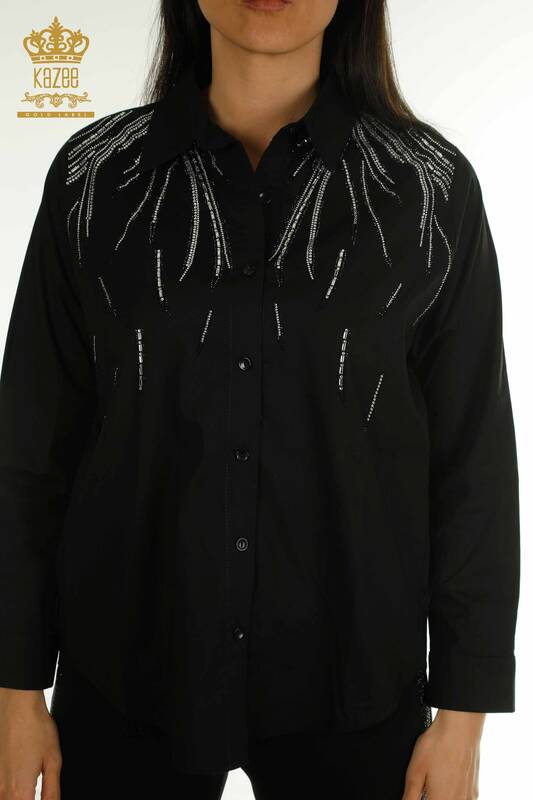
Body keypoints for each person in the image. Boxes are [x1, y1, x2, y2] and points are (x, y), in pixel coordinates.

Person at [0, 1, 520, 798]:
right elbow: (31, 448)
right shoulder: (95, 177)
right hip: (124, 677)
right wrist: (16, 692)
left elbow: (471, 464)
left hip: (354, 685)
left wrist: (462, 717)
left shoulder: (427, 189)